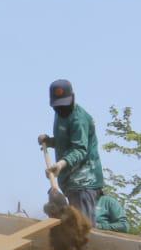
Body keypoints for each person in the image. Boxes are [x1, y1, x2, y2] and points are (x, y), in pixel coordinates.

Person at [37, 79, 104, 224]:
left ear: (72, 98)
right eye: (58, 106)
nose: (61, 109)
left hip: (84, 182)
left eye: (64, 105)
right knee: (71, 225)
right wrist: (50, 141)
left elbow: (79, 149)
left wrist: (60, 165)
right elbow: (66, 141)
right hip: (70, 180)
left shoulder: (79, 119)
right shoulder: (60, 113)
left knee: (83, 228)